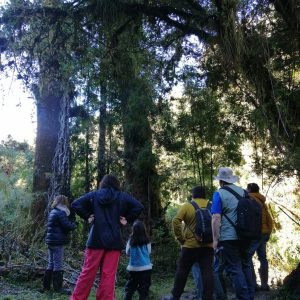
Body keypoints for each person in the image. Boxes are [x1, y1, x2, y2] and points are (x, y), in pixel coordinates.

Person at [70, 174, 144, 300]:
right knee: (108, 276)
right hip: (114, 242)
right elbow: (139, 206)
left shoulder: (94, 195)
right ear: (116, 184)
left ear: (103, 184)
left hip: (95, 240)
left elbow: (76, 204)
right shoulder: (122, 196)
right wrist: (127, 219)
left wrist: (87, 216)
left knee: (87, 273)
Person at [211, 167, 255, 300]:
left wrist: (215, 240)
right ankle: (250, 295)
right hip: (246, 235)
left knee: (235, 268)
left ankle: (243, 297)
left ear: (221, 181)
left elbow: (216, 218)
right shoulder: (243, 192)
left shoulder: (219, 194)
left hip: (228, 237)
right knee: (246, 265)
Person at [164, 186, 214, 300]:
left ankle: (175, 296)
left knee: (182, 270)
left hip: (190, 245)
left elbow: (176, 221)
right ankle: (208, 297)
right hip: (208, 245)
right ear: (204, 195)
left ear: (193, 195)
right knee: (207, 271)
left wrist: (181, 238)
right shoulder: (211, 206)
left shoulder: (188, 206)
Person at [43, 195, 76, 294]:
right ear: (64, 203)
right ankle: (58, 288)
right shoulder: (61, 213)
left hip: (51, 241)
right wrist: (74, 225)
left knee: (51, 263)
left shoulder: (53, 211)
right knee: (58, 265)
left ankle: (46, 287)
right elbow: (67, 226)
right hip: (57, 242)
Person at [247, 183, 273, 291]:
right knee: (263, 258)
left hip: (254, 234)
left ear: (249, 190)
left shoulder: (249, 199)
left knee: (247, 257)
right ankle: (264, 284)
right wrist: (268, 232)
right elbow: (269, 219)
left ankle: (253, 284)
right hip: (264, 233)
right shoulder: (262, 201)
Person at [124, 219, 152, 300]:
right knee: (144, 289)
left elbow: (127, 252)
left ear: (134, 229)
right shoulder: (147, 240)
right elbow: (149, 252)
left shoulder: (130, 240)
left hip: (133, 268)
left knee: (130, 288)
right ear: (144, 229)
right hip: (146, 268)